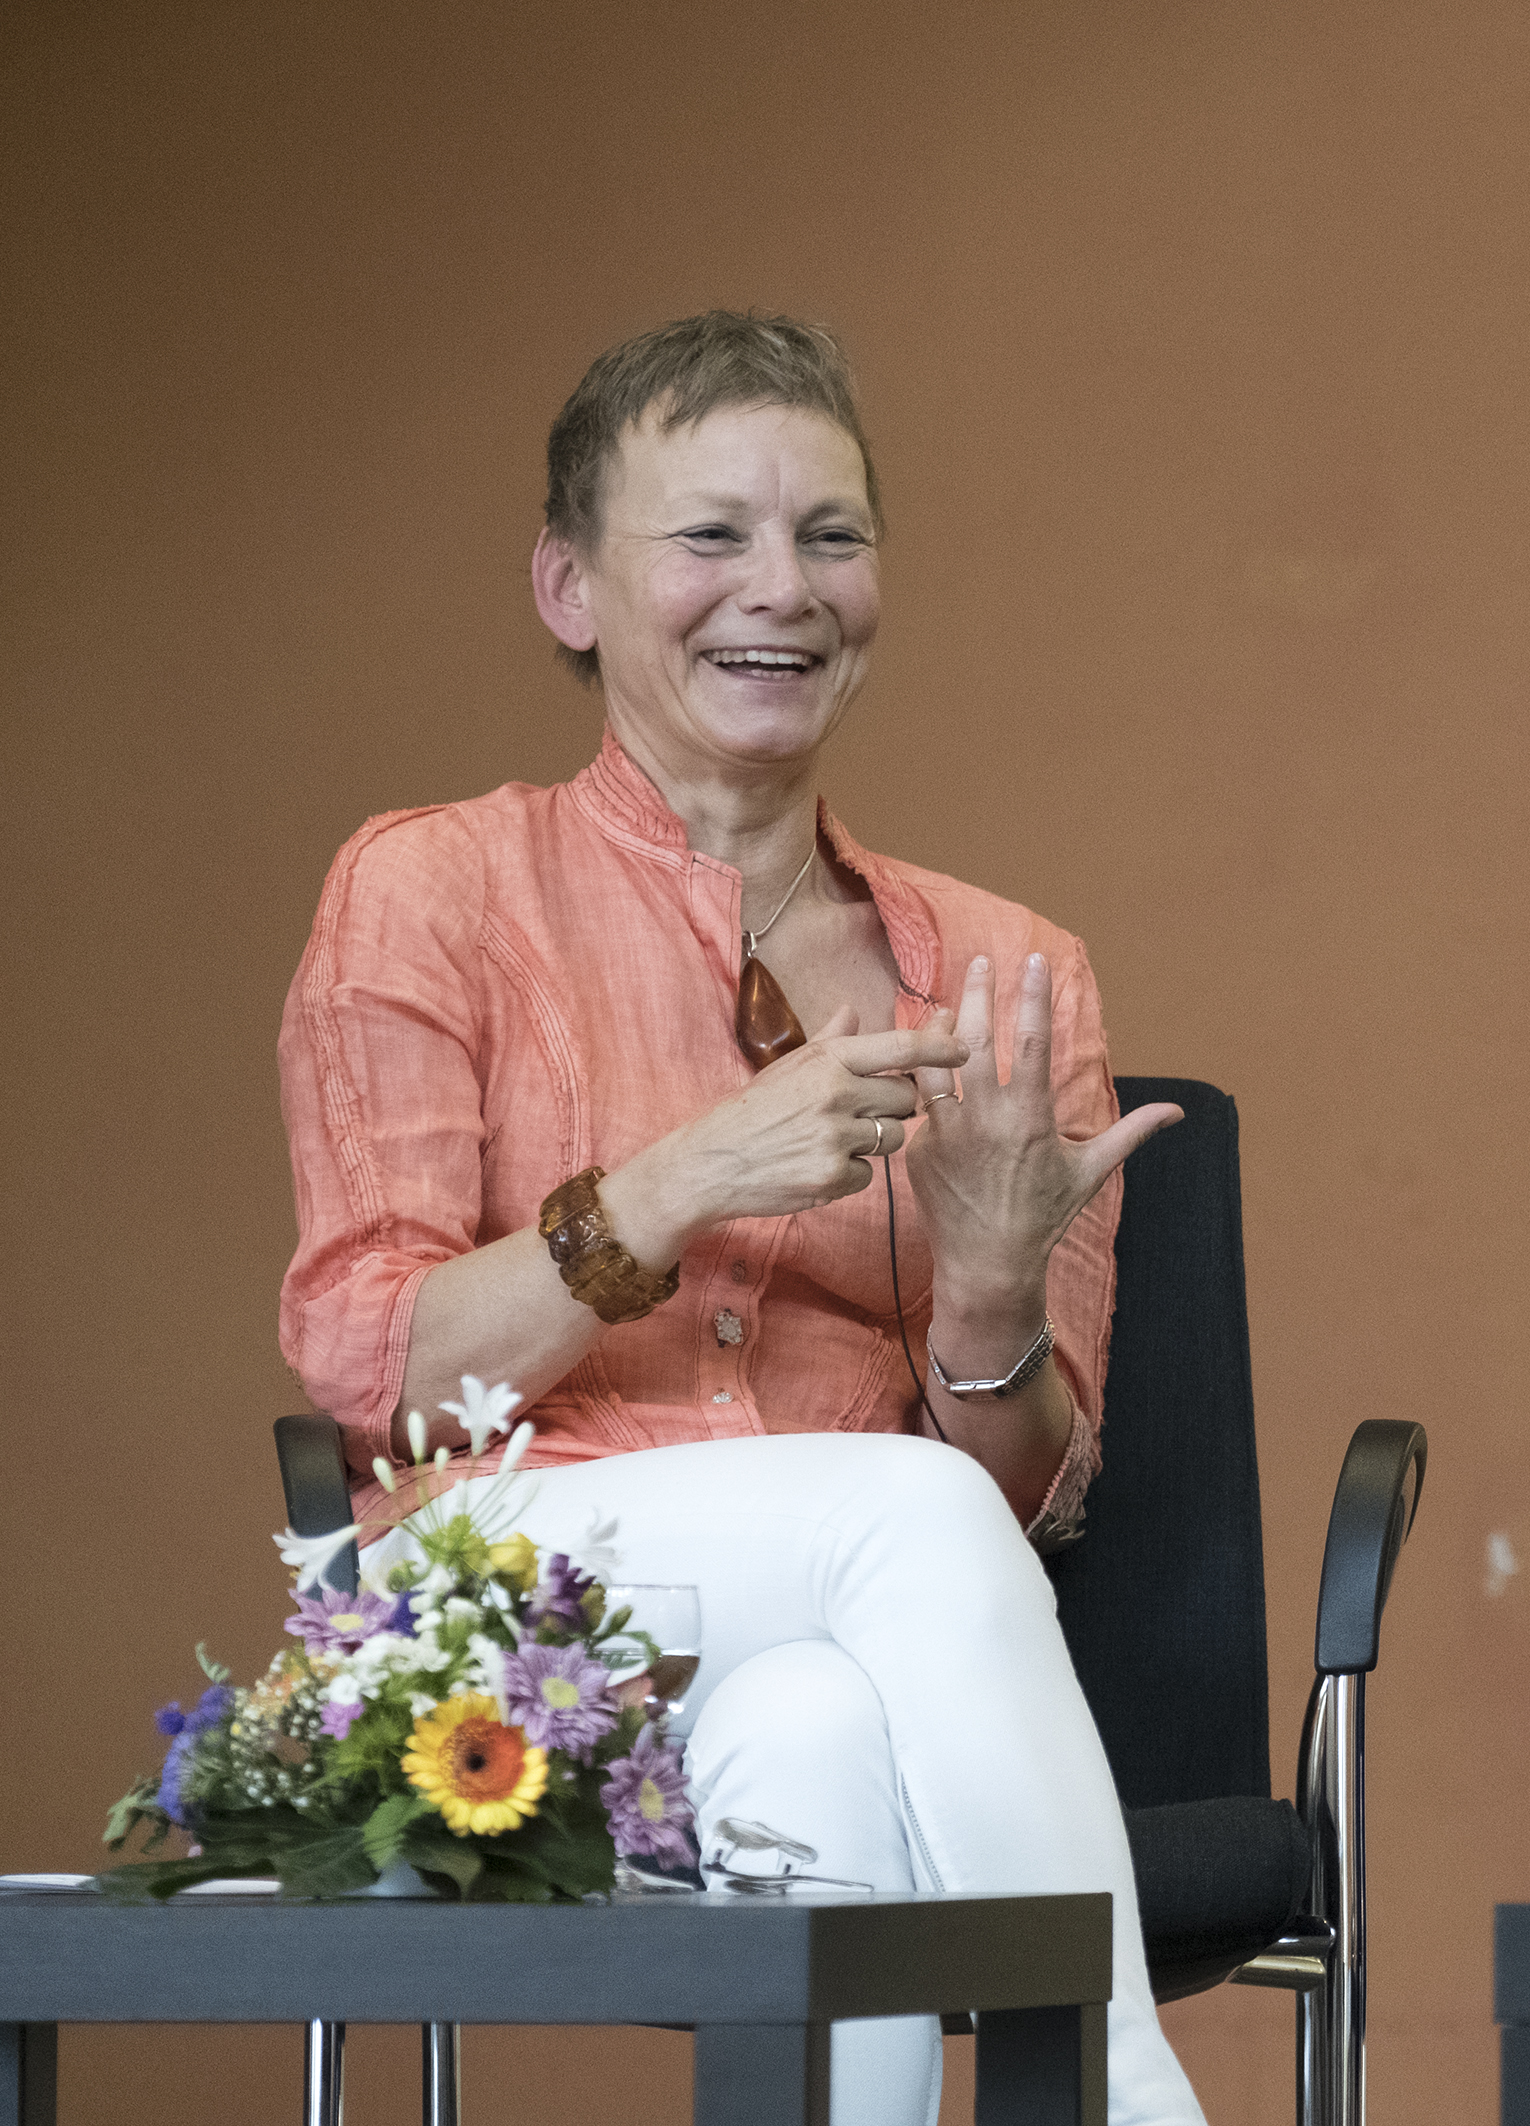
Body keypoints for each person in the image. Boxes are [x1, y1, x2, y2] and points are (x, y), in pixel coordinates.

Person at [277, 312, 1207, 2126]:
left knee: (825, 1738)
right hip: (499, 1623)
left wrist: (996, 1280)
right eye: (709, 535)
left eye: (831, 536)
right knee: (902, 1513)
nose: (779, 589)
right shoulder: (430, 887)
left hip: (831, 1635)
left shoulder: (1015, 976)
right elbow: (370, 1366)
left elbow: (1009, 1510)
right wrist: (689, 1170)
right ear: (570, 585)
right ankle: (1119, 2088)